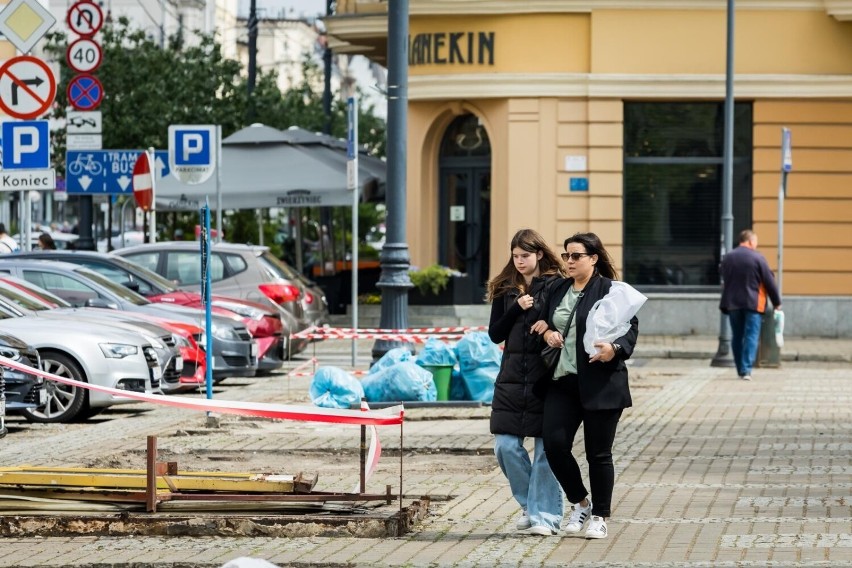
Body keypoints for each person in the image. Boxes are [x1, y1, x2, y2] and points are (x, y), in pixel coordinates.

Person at [539, 232, 638, 540]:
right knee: (554, 446)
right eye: (566, 255)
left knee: (598, 454)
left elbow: (630, 327)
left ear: (593, 259)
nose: (568, 261)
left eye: (576, 256)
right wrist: (546, 333)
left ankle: (599, 515)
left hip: (600, 384)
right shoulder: (558, 287)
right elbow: (544, 320)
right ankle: (581, 502)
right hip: (562, 382)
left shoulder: (611, 290)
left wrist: (615, 349)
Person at [486, 229, 565, 536]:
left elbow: (566, 323)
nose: (519, 262)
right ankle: (529, 505)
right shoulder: (505, 289)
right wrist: (517, 307)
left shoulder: (558, 285)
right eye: (515, 256)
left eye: (525, 256)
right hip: (511, 378)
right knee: (505, 446)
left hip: (547, 377)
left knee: (546, 451)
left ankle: (545, 517)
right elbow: (495, 334)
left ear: (539, 254)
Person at [719, 229, 782, 381]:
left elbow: (724, 277)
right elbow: (769, 281)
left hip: (733, 303)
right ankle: (746, 370)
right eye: (755, 242)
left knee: (737, 336)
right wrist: (776, 302)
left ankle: (740, 368)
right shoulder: (758, 258)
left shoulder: (727, 258)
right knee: (751, 336)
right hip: (753, 303)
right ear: (750, 241)